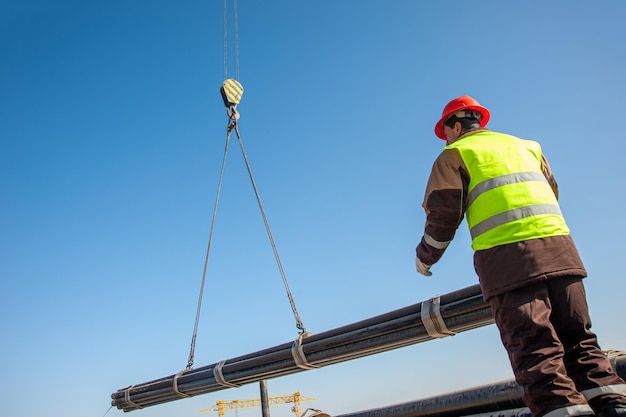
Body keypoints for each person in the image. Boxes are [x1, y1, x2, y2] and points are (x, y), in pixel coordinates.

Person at [415, 95, 626, 417]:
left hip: (509, 263)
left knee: (535, 350)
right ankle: (614, 405)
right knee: (581, 341)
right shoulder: (527, 146)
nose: (445, 138)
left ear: (456, 125)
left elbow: (443, 214)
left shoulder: (455, 154)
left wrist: (426, 258)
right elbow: (550, 192)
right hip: (561, 254)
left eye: (445, 132)